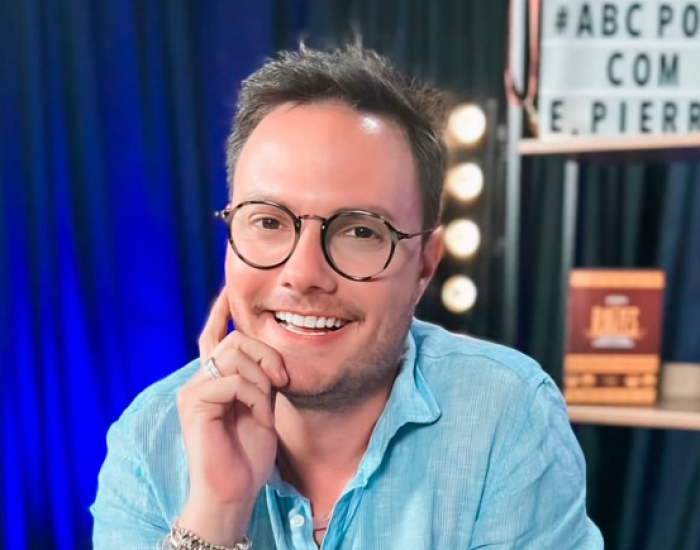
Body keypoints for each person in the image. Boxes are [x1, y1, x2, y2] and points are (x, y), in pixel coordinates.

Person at [91, 43, 603, 549]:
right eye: (268, 222)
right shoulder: (149, 441)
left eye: (360, 231)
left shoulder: (506, 415)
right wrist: (216, 514)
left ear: (425, 265)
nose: (303, 274)